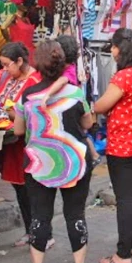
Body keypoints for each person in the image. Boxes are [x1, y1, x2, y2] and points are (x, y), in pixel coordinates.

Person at [13, 41, 95, 263]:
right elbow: (88, 123)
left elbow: (18, 130)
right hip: (74, 161)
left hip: (40, 164)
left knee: (40, 217)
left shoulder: (27, 95)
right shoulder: (76, 93)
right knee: (75, 214)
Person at [94, 28, 132, 263]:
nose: (112, 50)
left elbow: (101, 105)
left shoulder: (124, 77)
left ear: (123, 49)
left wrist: (93, 106)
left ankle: (122, 254)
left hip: (122, 145)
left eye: (115, 46)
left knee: (125, 199)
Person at [0, 42, 47, 248]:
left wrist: (1, 108)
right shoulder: (6, 76)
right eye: (2, 65)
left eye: (8, 64)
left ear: (20, 61)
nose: (5, 69)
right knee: (20, 189)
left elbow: (29, 113)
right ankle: (31, 231)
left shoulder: (35, 81)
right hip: (11, 143)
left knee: (30, 189)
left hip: (27, 144)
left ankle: (40, 232)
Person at [39, 35, 101, 166]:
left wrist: (48, 94)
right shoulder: (71, 67)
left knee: (80, 132)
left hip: (72, 105)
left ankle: (94, 155)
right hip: (73, 104)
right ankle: (93, 155)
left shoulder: (69, 70)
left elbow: (62, 81)